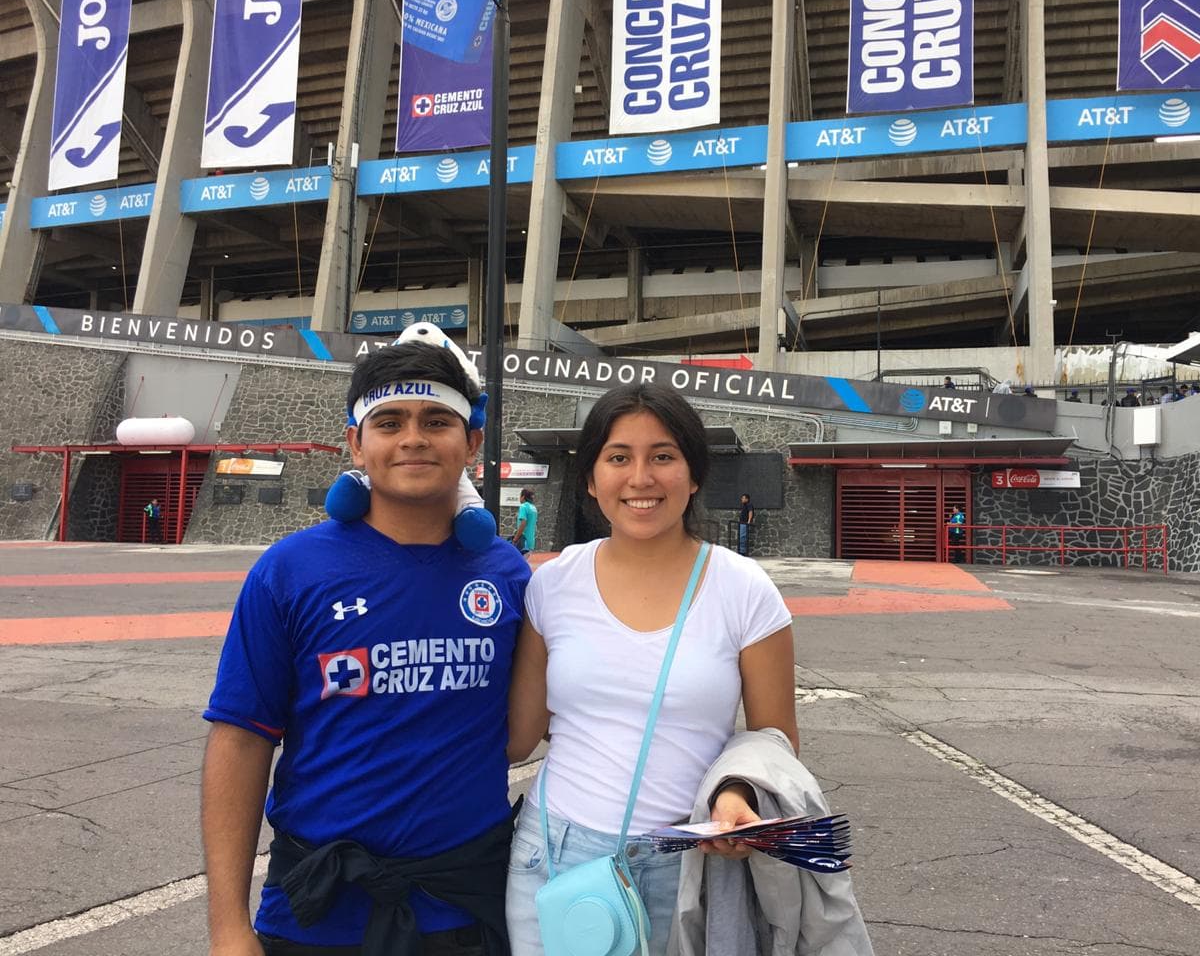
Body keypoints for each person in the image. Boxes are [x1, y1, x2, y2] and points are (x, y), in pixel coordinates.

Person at [201, 342, 530, 956]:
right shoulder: (290, 571)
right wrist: (227, 927)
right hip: (315, 912)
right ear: (356, 444)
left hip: (465, 911)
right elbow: (241, 738)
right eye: (389, 422)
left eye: (436, 421)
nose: (414, 438)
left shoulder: (507, 574)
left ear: (473, 443)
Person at [505, 383, 798, 955]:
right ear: (591, 479)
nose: (641, 478)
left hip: (681, 862)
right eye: (618, 457)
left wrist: (737, 794)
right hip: (549, 853)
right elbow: (517, 738)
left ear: (693, 476)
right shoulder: (552, 584)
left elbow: (775, 739)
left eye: (663, 456)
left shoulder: (744, 591)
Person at [511, 487, 538, 556]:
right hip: (531, 542)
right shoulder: (533, 508)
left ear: (523, 497)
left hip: (523, 542)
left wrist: (515, 539)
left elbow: (523, 523)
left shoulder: (523, 506)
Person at [737, 492, 755, 556]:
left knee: (743, 537)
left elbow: (750, 512)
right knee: (741, 537)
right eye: (742, 498)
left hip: (745, 523)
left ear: (747, 499)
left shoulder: (749, 504)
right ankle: (741, 550)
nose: (742, 499)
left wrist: (748, 521)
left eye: (743, 498)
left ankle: (742, 552)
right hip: (741, 523)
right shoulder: (744, 505)